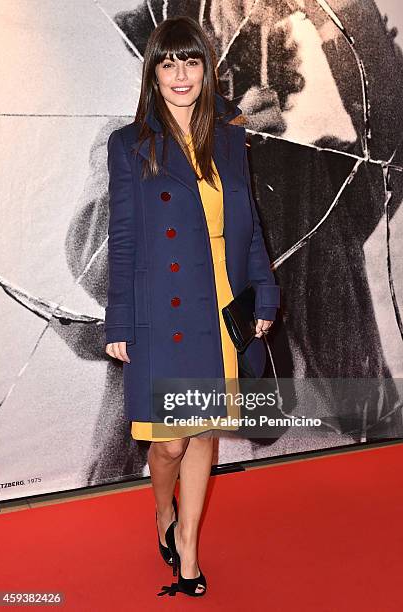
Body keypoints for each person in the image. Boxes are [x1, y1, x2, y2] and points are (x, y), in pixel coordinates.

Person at [104, 16, 280, 598]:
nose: (181, 75)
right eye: (168, 62)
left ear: (206, 68)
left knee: (203, 434)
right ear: (153, 72)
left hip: (220, 305)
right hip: (165, 307)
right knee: (170, 441)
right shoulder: (130, 144)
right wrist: (120, 320)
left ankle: (188, 549)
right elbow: (124, 237)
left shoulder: (230, 135)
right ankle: (162, 512)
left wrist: (266, 292)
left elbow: (249, 223)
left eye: (192, 61)